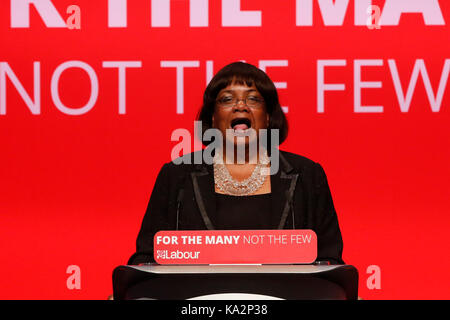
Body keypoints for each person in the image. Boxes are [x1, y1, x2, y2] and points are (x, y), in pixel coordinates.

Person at [128, 61, 344, 265]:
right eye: (227, 99)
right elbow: (146, 259)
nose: (241, 106)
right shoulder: (176, 175)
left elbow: (329, 260)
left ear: (268, 117)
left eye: (253, 99)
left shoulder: (307, 175)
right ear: (212, 118)